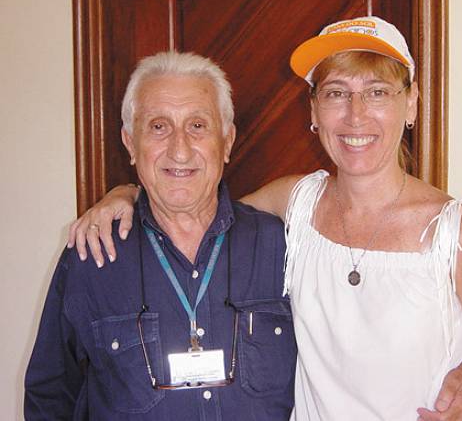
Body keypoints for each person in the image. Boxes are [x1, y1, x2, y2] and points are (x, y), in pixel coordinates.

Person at [67, 17, 462, 420]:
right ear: (314, 110)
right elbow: (194, 208)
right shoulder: (295, 201)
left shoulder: (454, 234)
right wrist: (126, 193)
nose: (356, 115)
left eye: (377, 91)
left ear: (412, 103)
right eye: (336, 93)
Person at [25, 52, 299, 420]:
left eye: (197, 125)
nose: (179, 149)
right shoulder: (92, 255)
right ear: (130, 143)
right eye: (158, 126)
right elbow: (50, 398)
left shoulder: (282, 249)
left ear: (227, 141)